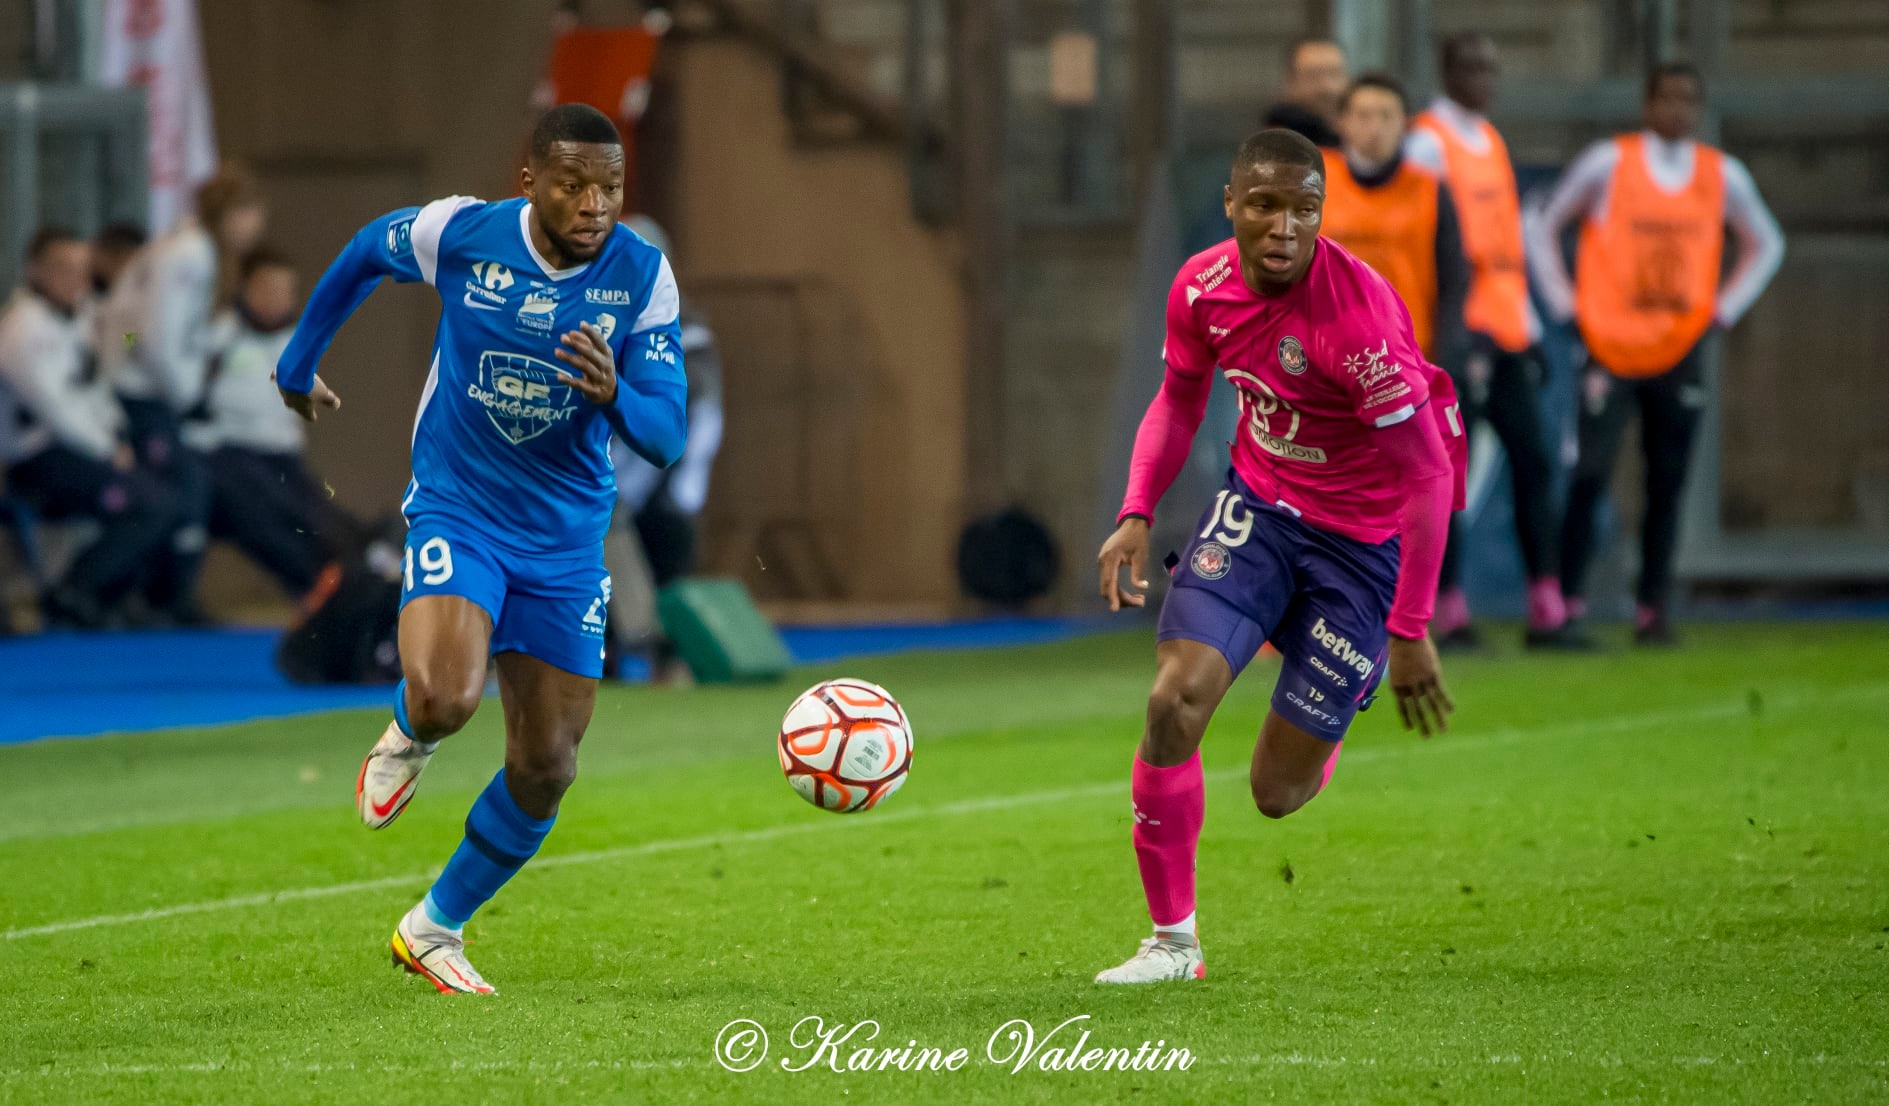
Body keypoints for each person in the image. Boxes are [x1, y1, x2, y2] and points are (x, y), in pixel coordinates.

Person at [274, 103, 686, 993]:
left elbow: (667, 433)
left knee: (547, 765)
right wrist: (298, 363)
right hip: (461, 510)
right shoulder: (461, 232)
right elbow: (361, 254)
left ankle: (433, 929)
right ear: (529, 179)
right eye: (573, 184)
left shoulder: (642, 277)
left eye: (610, 187)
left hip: (569, 541)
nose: (594, 204)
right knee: (446, 695)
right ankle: (410, 732)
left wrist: (615, 394)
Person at [1093, 129, 1465, 984]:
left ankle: (1342, 675)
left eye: (1305, 208)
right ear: (1230, 205)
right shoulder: (1200, 285)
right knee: (1171, 703)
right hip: (1256, 514)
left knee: (1275, 795)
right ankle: (1172, 945)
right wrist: (1136, 510)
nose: (1284, 226)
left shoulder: (1360, 326)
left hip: (1357, 551)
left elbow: (1425, 479)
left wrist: (1407, 631)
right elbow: (1179, 399)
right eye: (1263, 205)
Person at [1527, 62, 1783, 645]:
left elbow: (1767, 242)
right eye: (1666, 98)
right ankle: (1567, 601)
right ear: (1647, 104)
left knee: (1667, 481)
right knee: (1590, 472)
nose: (1677, 110)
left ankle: (1653, 609)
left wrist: (1724, 308)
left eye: (1688, 100)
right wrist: (1567, 306)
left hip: (1679, 347)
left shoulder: (1723, 175)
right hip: (1610, 346)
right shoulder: (1609, 163)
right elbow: (1544, 225)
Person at [1407, 31, 1579, 650]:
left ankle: (1546, 606)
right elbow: (1428, 240)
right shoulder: (1427, 140)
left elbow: (1505, 244)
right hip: (1460, 333)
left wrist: (1529, 325)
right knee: (1449, 473)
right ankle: (1446, 607)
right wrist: (1441, 332)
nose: (1485, 77)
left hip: (1506, 327)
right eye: (1473, 66)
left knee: (1532, 461)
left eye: (1492, 67)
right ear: (1447, 70)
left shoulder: (1489, 139)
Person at [109, 164, 270, 623]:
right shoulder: (189, 255)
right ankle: (162, 597)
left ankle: (163, 596)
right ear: (229, 213)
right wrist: (190, 398)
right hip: (140, 395)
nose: (256, 225)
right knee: (187, 488)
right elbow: (152, 340)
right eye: (250, 211)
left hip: (146, 388)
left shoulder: (192, 251)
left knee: (188, 489)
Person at [0, 229, 179, 628]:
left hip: (82, 450)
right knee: (149, 505)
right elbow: (56, 410)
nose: (75, 279)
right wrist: (107, 450)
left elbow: (96, 388)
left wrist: (116, 434)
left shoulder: (81, 318)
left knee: (171, 495)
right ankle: (73, 592)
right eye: (62, 269)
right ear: (34, 271)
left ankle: (98, 597)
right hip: (38, 458)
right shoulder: (22, 328)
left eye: (82, 269)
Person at [185, 247, 352, 599]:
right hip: (228, 454)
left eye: (284, 290)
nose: (276, 299)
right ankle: (316, 591)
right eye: (266, 288)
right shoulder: (217, 336)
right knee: (275, 515)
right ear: (244, 289)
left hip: (282, 457)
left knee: (326, 519)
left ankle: (351, 587)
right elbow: (183, 388)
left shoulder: (298, 342)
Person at [603, 215, 723, 679]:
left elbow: (699, 414)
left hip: (661, 476)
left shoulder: (683, 328)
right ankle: (612, 652)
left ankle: (659, 651)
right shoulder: (608, 317)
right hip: (627, 475)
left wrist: (684, 481)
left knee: (664, 566)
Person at [1319, 73, 1469, 371]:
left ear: (1405, 124)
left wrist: (1446, 355)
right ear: (1342, 122)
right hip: (1325, 356)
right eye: (1363, 116)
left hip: (1407, 358)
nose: (1375, 128)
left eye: (1387, 116)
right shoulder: (1315, 181)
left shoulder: (1430, 191)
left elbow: (1454, 279)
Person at [1262, 37, 1348, 148]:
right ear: (1290, 82)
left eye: (1334, 74)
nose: (1327, 87)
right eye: (1313, 76)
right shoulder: (1275, 148)